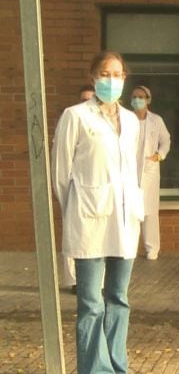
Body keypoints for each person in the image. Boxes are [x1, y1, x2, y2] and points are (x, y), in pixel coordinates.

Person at [52, 52, 144, 374]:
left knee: (118, 299)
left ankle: (117, 369)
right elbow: (62, 175)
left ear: (125, 78)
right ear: (93, 77)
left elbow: (129, 171)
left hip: (124, 220)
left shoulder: (131, 121)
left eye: (118, 74)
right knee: (91, 302)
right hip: (89, 220)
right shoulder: (75, 117)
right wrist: (77, 208)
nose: (112, 79)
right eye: (105, 73)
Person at [56, 85, 97, 294]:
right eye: (83, 99)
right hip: (75, 190)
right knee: (73, 239)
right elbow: (62, 164)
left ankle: (94, 281)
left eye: (89, 99)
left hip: (96, 193)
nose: (86, 102)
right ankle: (73, 280)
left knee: (93, 241)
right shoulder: (71, 118)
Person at [129, 86, 171, 260]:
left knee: (150, 211)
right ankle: (129, 248)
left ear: (148, 99)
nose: (137, 100)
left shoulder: (156, 120)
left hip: (149, 170)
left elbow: (166, 140)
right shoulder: (126, 118)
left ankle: (152, 248)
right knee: (130, 210)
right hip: (129, 170)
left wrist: (159, 156)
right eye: (134, 97)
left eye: (141, 97)